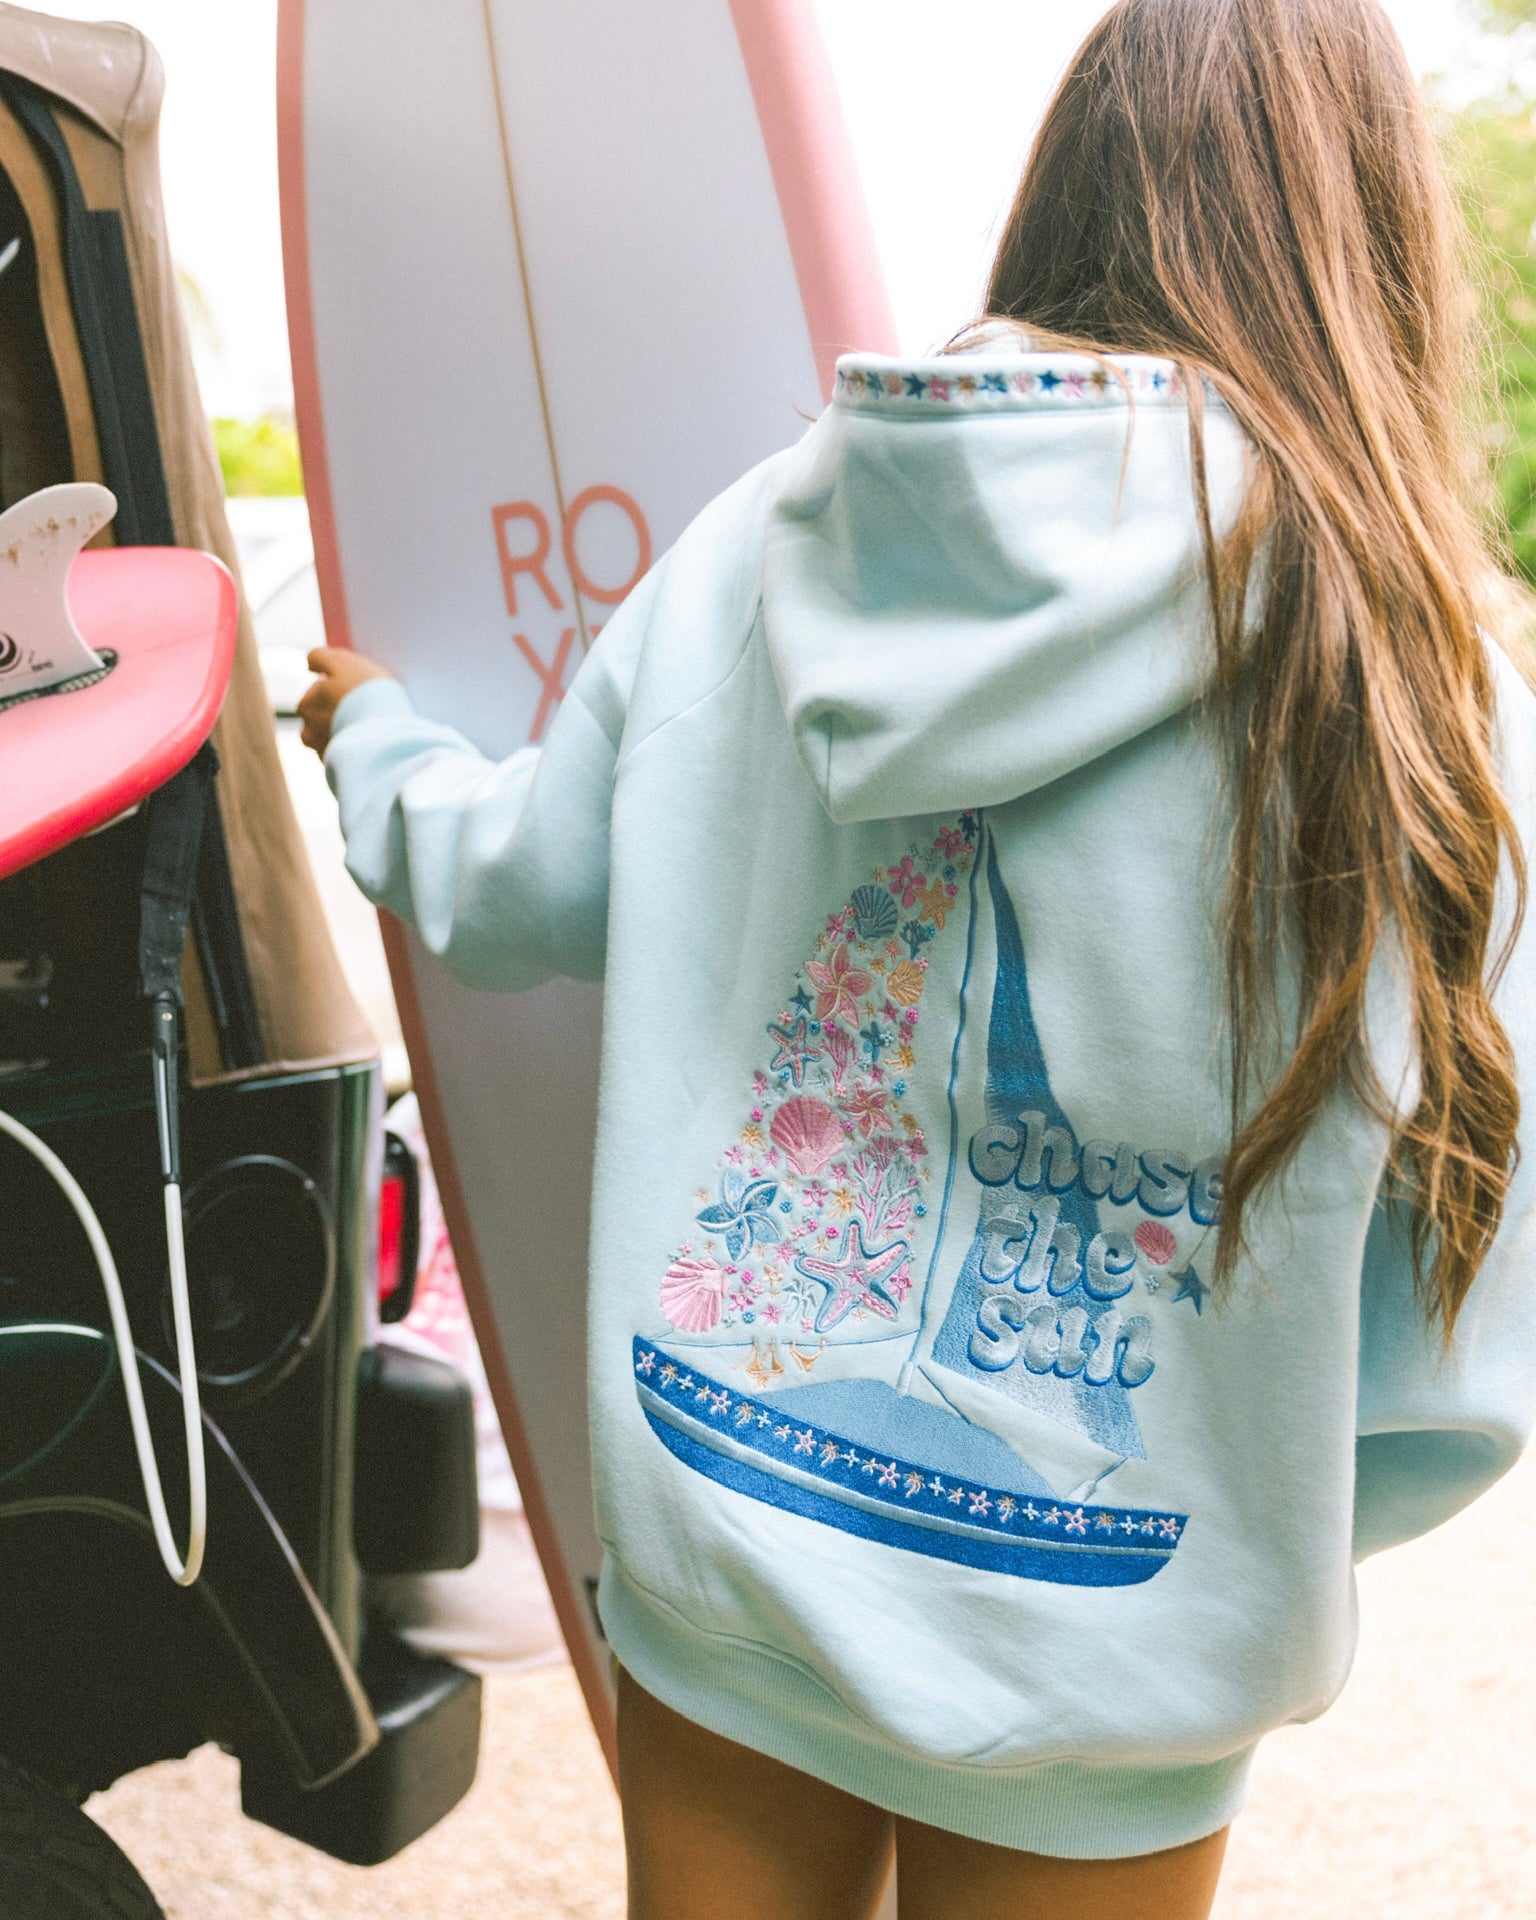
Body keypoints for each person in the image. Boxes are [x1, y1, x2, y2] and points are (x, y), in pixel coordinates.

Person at [298, 0, 1536, 1911]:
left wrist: (374, 740)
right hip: (1111, 1669)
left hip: (739, 1561)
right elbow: (1470, 1301)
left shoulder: (776, 537)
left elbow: (524, 880)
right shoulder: (1417, 684)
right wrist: (1239, 1500)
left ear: (1066, 193)